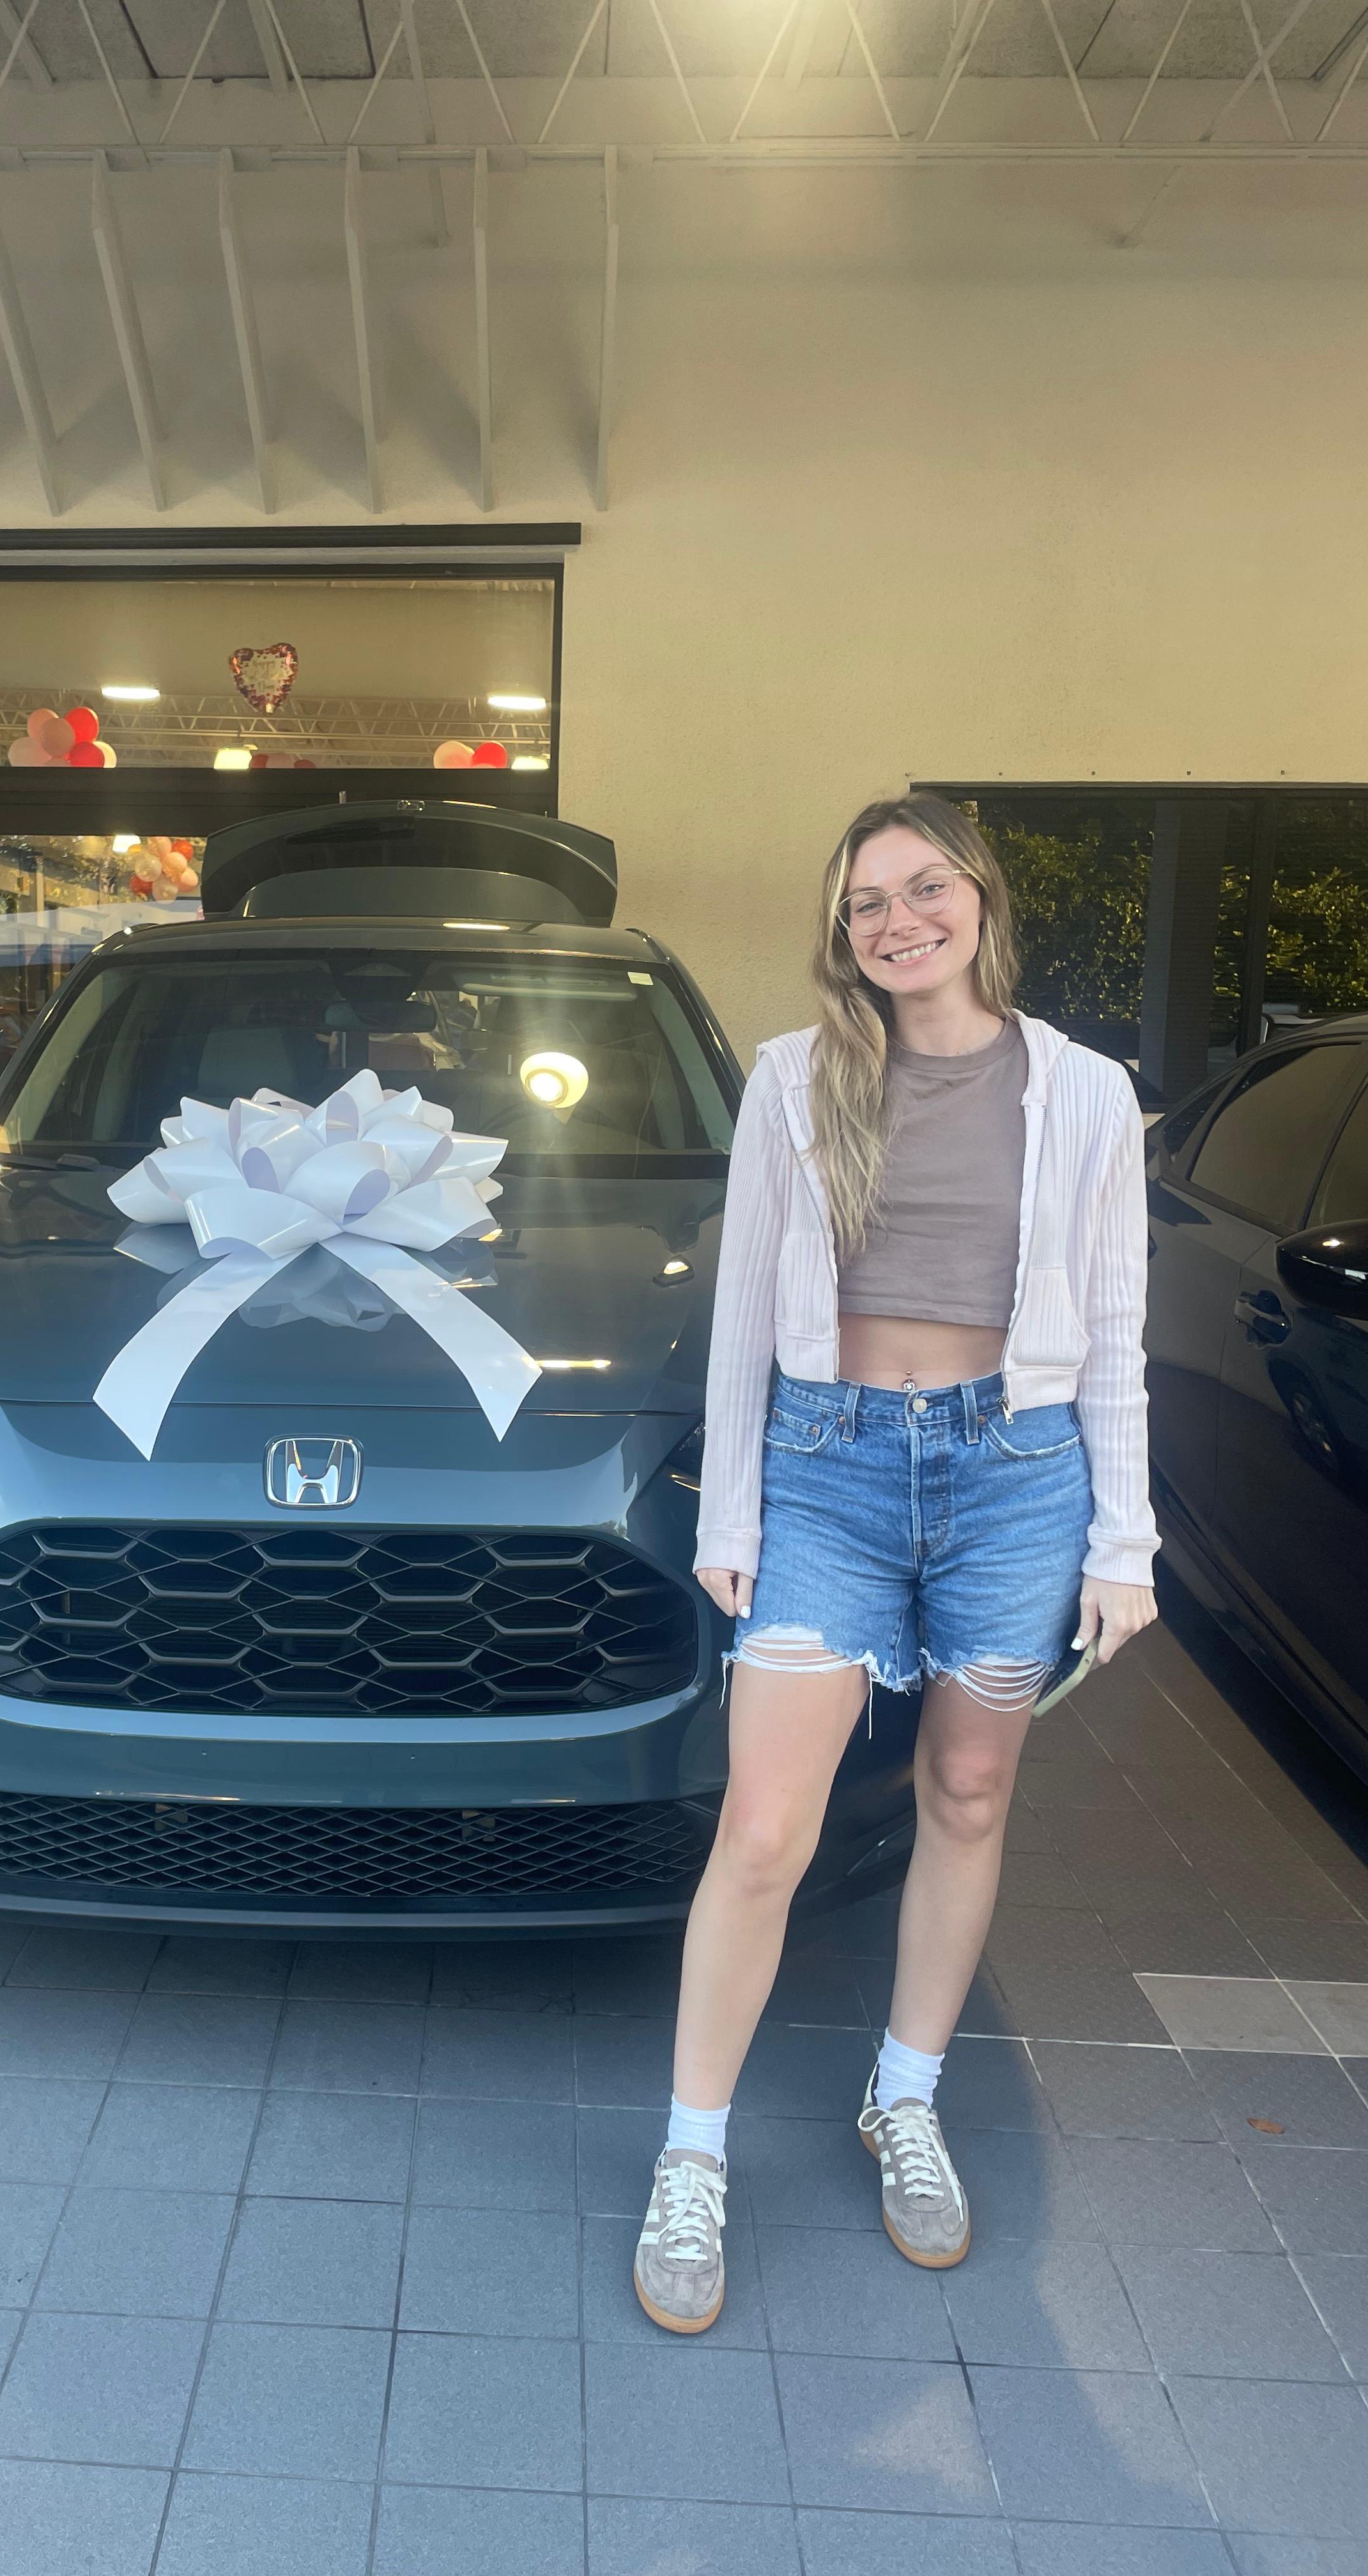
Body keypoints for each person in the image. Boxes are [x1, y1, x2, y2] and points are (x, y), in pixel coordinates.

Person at [633, 793, 1158, 2334]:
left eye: (925, 888)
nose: (897, 920)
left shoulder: (1086, 1095)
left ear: (982, 902)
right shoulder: (798, 1082)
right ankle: (692, 2151)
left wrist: (1124, 1538)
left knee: (972, 1794)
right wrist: (731, 1514)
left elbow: (1116, 1331)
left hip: (1017, 1476)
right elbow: (741, 1313)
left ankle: (905, 2103)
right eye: (867, 902)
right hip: (828, 1470)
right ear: (844, 930)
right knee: (766, 1828)